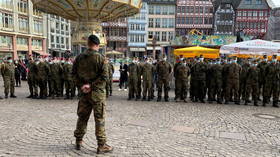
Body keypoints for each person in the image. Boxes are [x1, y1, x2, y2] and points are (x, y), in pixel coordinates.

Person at [72, 35, 113, 154]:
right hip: (97, 94)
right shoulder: (101, 58)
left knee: (82, 117)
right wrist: (91, 85)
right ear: (98, 45)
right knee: (99, 119)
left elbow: (73, 74)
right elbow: (105, 77)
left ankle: (78, 140)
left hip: (84, 94)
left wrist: (82, 85)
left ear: (87, 44)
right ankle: (101, 145)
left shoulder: (79, 58)